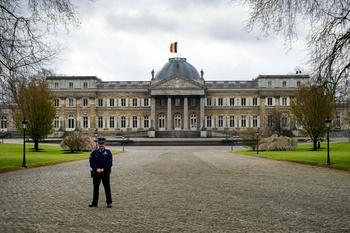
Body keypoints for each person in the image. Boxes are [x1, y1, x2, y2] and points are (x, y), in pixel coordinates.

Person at [89, 137, 113, 208]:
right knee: (96, 188)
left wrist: (103, 169)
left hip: (105, 172)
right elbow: (91, 162)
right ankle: (94, 202)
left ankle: (109, 202)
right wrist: (96, 168)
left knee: (107, 187)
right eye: (100, 144)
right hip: (96, 173)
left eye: (102, 144)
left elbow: (110, 162)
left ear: (104, 144)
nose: (101, 145)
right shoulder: (94, 152)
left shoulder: (108, 152)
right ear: (98, 144)